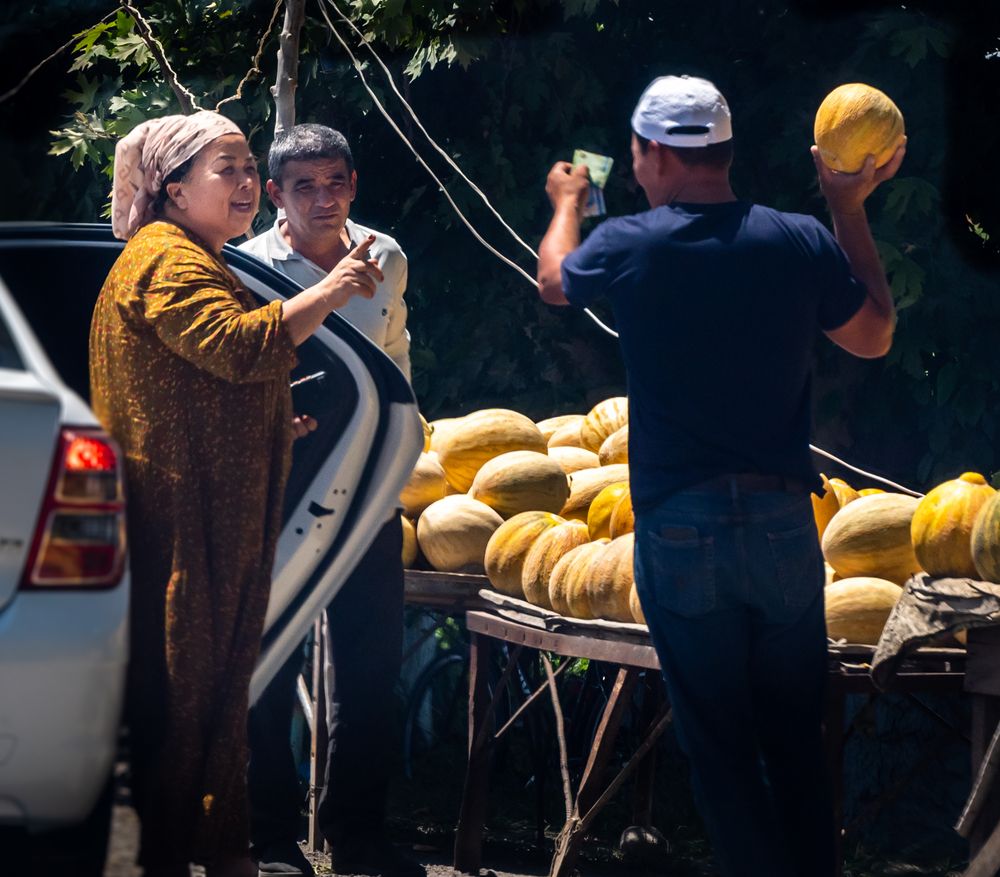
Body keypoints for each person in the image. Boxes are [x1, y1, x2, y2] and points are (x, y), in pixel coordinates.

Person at [536, 75, 903, 877]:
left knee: (723, 753)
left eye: (637, 155)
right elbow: (873, 337)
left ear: (660, 154)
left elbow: (557, 280)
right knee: (796, 745)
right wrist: (847, 204)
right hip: (781, 526)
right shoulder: (796, 236)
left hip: (679, 528)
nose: (632, 171)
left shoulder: (634, 243)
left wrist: (568, 198)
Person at [91, 111, 384, 877]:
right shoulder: (167, 259)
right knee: (190, 701)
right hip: (185, 526)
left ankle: (215, 854)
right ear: (174, 186)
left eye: (251, 166)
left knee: (203, 702)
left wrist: (264, 424)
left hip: (197, 517)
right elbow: (236, 343)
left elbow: (203, 381)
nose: (249, 183)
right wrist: (336, 286)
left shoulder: (189, 254)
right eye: (228, 168)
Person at [239, 123, 419, 877]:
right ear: (275, 194)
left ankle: (358, 836)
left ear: (354, 185)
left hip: (367, 481)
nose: (323, 198)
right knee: (266, 664)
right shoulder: (244, 266)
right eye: (304, 185)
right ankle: (271, 839)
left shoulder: (387, 255)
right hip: (275, 483)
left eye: (336, 182)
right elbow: (235, 366)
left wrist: (405, 453)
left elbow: (399, 360)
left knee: (372, 667)